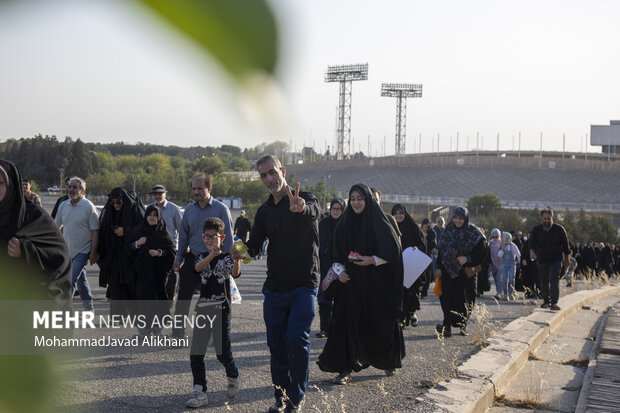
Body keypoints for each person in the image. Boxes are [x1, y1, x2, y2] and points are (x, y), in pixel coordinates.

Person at [231, 155, 320, 413]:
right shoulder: (264, 211)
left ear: (282, 170)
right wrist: (240, 250)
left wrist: (301, 208)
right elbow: (255, 249)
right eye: (263, 175)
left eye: (272, 172)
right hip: (275, 288)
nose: (269, 179)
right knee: (277, 346)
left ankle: (296, 398)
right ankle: (280, 397)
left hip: (304, 284)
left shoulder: (307, 199)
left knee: (296, 339)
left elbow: (313, 211)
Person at [318, 183, 405, 385]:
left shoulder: (381, 223)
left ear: (368, 200)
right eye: (353, 198)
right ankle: (344, 368)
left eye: (360, 198)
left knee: (380, 322)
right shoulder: (344, 223)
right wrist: (339, 273)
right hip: (349, 284)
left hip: (375, 284)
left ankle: (388, 360)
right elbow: (335, 253)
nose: (356, 202)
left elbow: (393, 253)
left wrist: (372, 260)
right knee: (342, 323)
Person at [186, 217, 241, 408]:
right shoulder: (201, 255)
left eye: (214, 237)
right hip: (203, 309)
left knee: (222, 352)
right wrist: (211, 254)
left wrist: (237, 259)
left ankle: (233, 375)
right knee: (196, 354)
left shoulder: (227, 257)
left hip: (221, 310)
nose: (210, 240)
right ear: (203, 238)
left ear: (222, 237)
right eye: (207, 237)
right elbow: (198, 268)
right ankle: (200, 392)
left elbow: (234, 273)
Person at [172, 173, 233, 339]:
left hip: (215, 261)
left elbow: (228, 240)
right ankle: (178, 335)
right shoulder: (189, 210)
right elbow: (184, 236)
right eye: (193, 188)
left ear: (209, 188)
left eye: (200, 188)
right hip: (193, 260)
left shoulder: (221, 209)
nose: (196, 192)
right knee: (183, 299)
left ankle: (217, 336)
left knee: (215, 301)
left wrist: (228, 264)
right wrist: (179, 259)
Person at [1, 159, 71, 302]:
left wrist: (26, 250)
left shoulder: (34, 217)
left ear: (11, 186)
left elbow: (59, 255)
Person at [435, 206, 487, 337]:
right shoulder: (448, 230)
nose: (458, 221)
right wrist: (438, 267)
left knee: (466, 299)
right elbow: (442, 250)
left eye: (461, 218)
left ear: (466, 218)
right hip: (448, 270)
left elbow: (483, 249)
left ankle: (463, 323)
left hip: (465, 273)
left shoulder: (473, 231)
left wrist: (467, 258)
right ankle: (447, 326)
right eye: (455, 218)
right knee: (447, 298)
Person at [127, 205, 175, 337]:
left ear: (159, 217)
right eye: (150, 215)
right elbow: (128, 248)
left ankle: (158, 331)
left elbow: (171, 252)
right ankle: (143, 332)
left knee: (157, 301)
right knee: (141, 301)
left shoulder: (163, 234)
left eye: (155, 215)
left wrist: (159, 253)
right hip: (140, 274)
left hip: (158, 275)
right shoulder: (138, 231)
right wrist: (138, 243)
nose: (152, 217)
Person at [54, 177, 100, 310]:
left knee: (70, 279)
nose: (71, 189)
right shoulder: (63, 205)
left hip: (83, 251)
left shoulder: (88, 207)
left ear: (82, 191)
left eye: (75, 187)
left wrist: (93, 252)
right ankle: (88, 306)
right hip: (68, 251)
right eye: (70, 186)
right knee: (81, 280)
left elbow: (95, 232)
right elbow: (56, 227)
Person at [98, 187, 144, 315]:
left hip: (131, 255)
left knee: (132, 284)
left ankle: (137, 315)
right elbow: (104, 231)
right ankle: (119, 315)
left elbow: (142, 228)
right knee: (116, 285)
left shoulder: (134, 210)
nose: (115, 205)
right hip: (115, 255)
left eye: (118, 202)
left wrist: (125, 231)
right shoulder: (109, 212)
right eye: (112, 202)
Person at [528, 208, 570, 311]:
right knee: (544, 280)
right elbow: (531, 244)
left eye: (548, 219)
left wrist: (567, 259)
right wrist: (532, 252)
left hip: (556, 259)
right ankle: (546, 301)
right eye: (544, 219)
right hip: (542, 259)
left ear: (552, 218)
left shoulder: (559, 229)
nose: (546, 221)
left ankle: (554, 302)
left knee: (554, 278)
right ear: (541, 218)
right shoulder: (536, 230)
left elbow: (566, 246)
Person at [391, 203, 426, 327]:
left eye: (401, 213)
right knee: (399, 292)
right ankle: (401, 318)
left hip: (411, 265)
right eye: (395, 213)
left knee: (411, 292)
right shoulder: (390, 227)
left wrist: (417, 248)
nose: (398, 216)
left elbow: (423, 244)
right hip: (396, 265)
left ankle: (411, 313)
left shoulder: (413, 227)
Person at [148, 184, 183, 308]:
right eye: (155, 194)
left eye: (160, 193)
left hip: (171, 248)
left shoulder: (173, 209)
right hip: (154, 248)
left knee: (171, 274)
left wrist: (184, 247)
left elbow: (181, 229)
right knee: (156, 274)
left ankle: (170, 297)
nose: (157, 196)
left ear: (165, 194)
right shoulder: (150, 208)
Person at [316, 198, 345, 338]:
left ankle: (339, 328)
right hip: (325, 264)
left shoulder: (347, 224)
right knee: (324, 296)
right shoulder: (323, 224)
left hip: (342, 266)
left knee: (341, 298)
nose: (335, 211)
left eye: (338, 209)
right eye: (333, 208)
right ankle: (325, 328)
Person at [498, 231, 521, 300]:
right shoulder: (502, 245)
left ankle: (511, 293)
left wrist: (519, 262)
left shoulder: (513, 245)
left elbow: (518, 255)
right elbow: (499, 255)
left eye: (503, 237)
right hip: (503, 264)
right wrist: (502, 249)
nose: (502, 238)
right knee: (504, 280)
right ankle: (505, 294)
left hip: (511, 264)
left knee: (511, 279)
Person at [420, 218, 436, 298]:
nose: (425, 229)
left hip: (428, 255)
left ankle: (424, 291)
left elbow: (432, 245)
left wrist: (426, 238)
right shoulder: (419, 233)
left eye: (426, 227)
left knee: (427, 274)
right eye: (423, 227)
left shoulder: (432, 234)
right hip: (420, 255)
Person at [489, 228, 503, 300]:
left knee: (499, 278)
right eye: (493, 236)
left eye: (496, 236)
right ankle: (498, 290)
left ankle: (499, 293)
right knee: (495, 277)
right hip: (492, 262)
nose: (495, 238)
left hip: (500, 262)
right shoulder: (491, 242)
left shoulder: (501, 242)